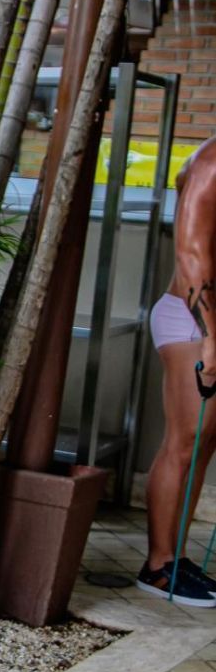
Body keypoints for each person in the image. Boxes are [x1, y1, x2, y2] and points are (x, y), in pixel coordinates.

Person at [139, 134, 216, 606]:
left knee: (202, 445)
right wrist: (211, 337)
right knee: (184, 444)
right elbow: (191, 255)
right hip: (193, 324)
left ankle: (176, 558)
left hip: (205, 327)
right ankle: (158, 565)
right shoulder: (212, 161)